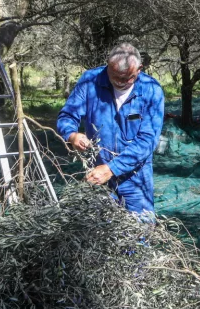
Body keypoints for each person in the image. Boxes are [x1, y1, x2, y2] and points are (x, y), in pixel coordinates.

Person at [57, 43, 165, 217]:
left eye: (127, 78)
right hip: (97, 174)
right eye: (115, 76)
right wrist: (72, 135)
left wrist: (111, 168)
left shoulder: (151, 90)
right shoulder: (90, 81)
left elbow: (147, 140)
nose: (120, 82)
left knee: (141, 227)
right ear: (108, 65)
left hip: (136, 178)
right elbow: (68, 115)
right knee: (100, 227)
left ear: (139, 69)